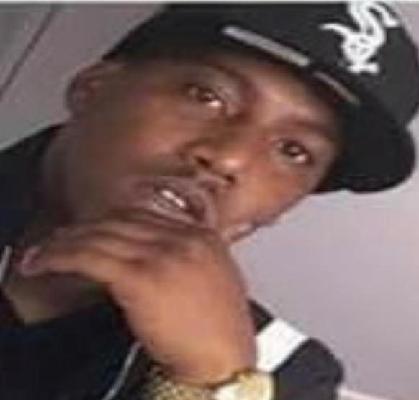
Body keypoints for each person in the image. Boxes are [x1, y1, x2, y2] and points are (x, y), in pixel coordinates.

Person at [0, 3, 418, 400]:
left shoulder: (282, 369)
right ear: (93, 88)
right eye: (205, 96)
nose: (230, 158)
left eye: (294, 151)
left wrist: (210, 382)